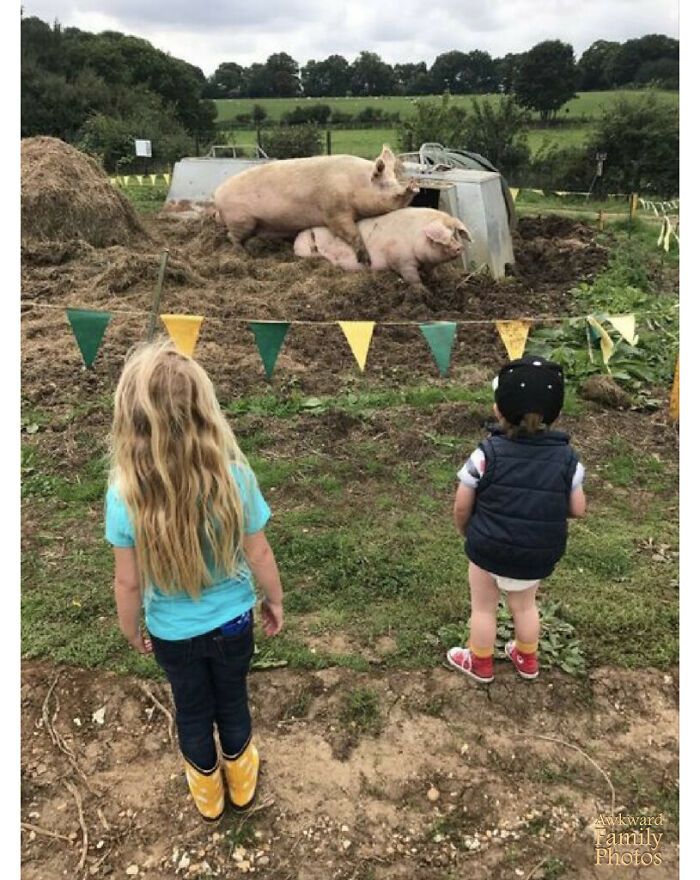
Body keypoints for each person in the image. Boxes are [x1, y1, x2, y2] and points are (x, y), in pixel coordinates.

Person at [104, 340, 284, 821]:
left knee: (191, 709)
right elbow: (259, 551)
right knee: (232, 698)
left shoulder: (125, 495)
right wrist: (275, 599)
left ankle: (208, 794)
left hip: (171, 635)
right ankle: (241, 783)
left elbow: (127, 583)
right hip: (232, 626)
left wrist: (129, 627)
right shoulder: (234, 478)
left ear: (133, 418)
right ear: (205, 410)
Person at [446, 355, 586, 684]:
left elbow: (462, 505)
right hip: (536, 552)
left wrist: (466, 531)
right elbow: (578, 509)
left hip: (487, 548)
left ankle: (480, 663)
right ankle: (526, 658)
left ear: (498, 409)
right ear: (557, 413)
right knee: (525, 607)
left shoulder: (486, 453)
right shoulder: (568, 459)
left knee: (483, 608)